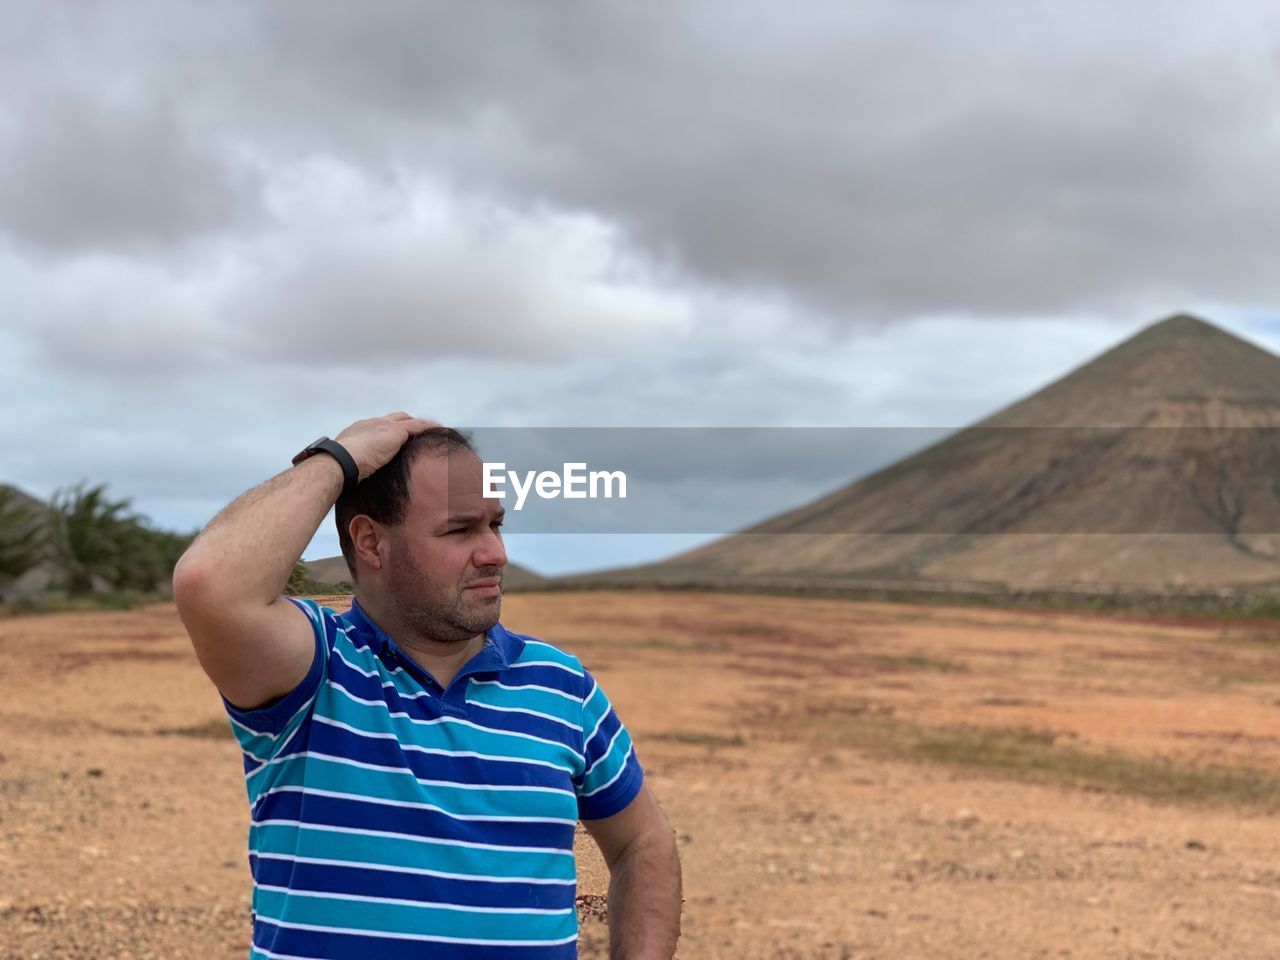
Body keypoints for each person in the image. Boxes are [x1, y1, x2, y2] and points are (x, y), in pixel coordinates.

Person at [172, 412, 682, 959]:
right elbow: (211, 584)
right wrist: (340, 458)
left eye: (495, 525)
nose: (495, 554)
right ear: (370, 542)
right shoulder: (313, 670)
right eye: (459, 530)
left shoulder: (561, 686)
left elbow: (643, 842)